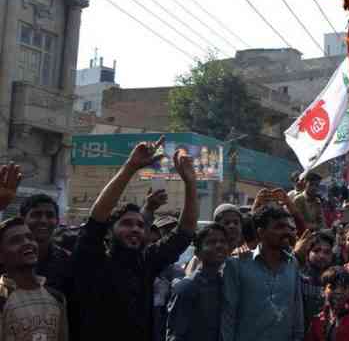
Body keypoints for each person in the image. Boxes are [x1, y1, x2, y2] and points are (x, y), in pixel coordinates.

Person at [72, 137, 197, 341]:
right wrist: (130, 167)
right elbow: (96, 218)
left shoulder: (146, 262)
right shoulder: (93, 259)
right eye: (127, 223)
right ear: (110, 230)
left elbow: (184, 233)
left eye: (140, 225)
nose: (135, 229)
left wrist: (190, 183)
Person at [222, 206, 304, 341]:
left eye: (289, 228)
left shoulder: (293, 263)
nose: (287, 232)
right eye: (279, 227)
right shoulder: (238, 264)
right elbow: (228, 315)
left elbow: (297, 310)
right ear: (261, 232)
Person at [0, 217, 69, 341]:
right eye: (16, 240)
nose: (27, 243)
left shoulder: (56, 297)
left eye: (30, 237)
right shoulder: (2, 299)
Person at [167, 223, 229, 341]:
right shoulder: (187, 287)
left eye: (223, 241)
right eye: (211, 242)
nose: (219, 245)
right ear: (197, 253)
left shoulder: (225, 284)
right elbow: (176, 334)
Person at [18, 194, 71, 295]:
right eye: (36, 215)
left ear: (57, 222)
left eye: (50, 215)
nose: (43, 220)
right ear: (22, 220)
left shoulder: (66, 261)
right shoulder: (7, 256)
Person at [305, 266, 349, 341]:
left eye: (344, 288)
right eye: (333, 287)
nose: (338, 291)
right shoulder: (316, 321)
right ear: (323, 291)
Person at [295, 230, 338, 329]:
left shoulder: (335, 278)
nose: (322, 256)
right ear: (308, 252)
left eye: (327, 252)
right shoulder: (298, 274)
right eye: (316, 250)